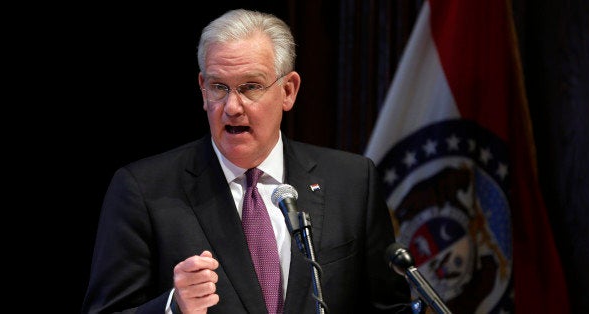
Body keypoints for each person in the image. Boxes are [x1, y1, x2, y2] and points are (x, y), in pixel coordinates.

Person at [82, 8, 411, 314]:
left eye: (250, 87)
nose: (232, 107)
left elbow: (390, 308)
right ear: (202, 89)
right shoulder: (144, 190)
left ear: (288, 91)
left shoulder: (352, 182)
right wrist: (173, 306)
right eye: (219, 87)